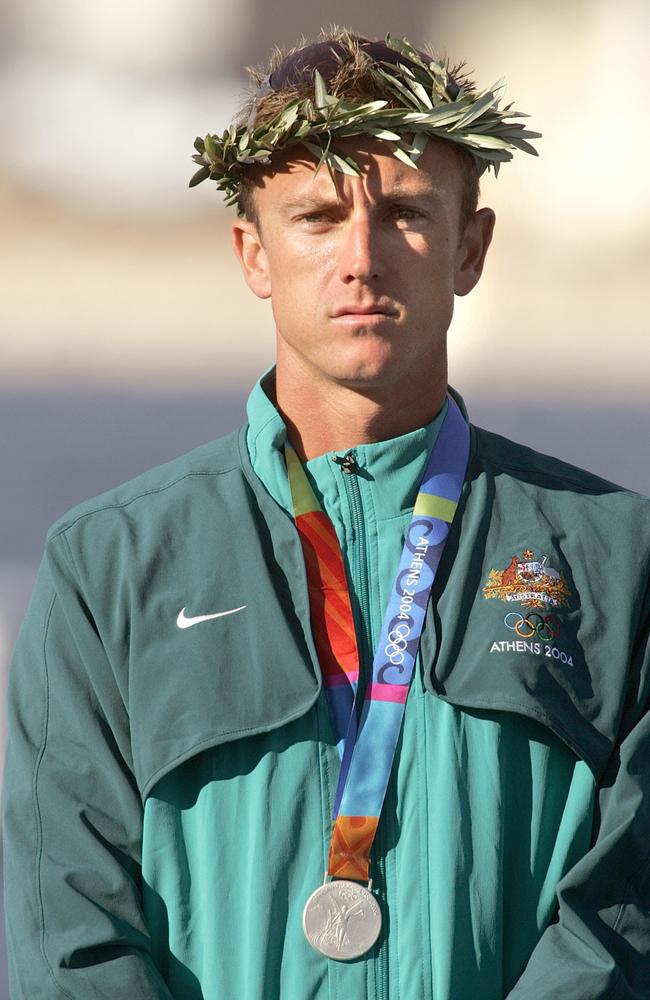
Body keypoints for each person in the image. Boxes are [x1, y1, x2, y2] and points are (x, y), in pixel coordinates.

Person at [3, 25, 649, 1000]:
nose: (360, 258)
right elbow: (70, 936)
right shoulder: (111, 564)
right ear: (251, 252)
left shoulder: (614, 554)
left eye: (402, 213)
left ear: (469, 247)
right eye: (314, 216)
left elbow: (622, 916)